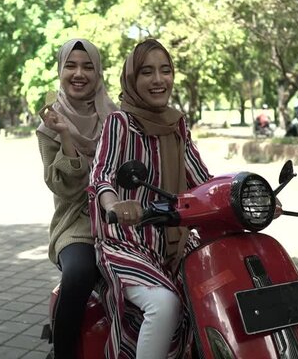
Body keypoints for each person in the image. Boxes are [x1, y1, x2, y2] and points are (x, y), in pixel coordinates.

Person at [89, 39, 212, 359]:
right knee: (164, 303)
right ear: (132, 79)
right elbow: (101, 175)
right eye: (147, 72)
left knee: (216, 288)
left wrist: (247, 198)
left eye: (165, 70)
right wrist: (114, 205)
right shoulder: (120, 123)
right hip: (126, 242)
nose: (158, 80)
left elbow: (202, 180)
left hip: (175, 241)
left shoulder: (177, 125)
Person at [36, 38, 117, 358]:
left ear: (98, 73)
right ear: (60, 70)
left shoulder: (116, 117)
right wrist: (66, 134)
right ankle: (64, 352)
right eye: (71, 65)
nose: (79, 73)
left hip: (122, 219)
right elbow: (66, 189)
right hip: (77, 223)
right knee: (81, 272)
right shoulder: (49, 125)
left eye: (88, 66)